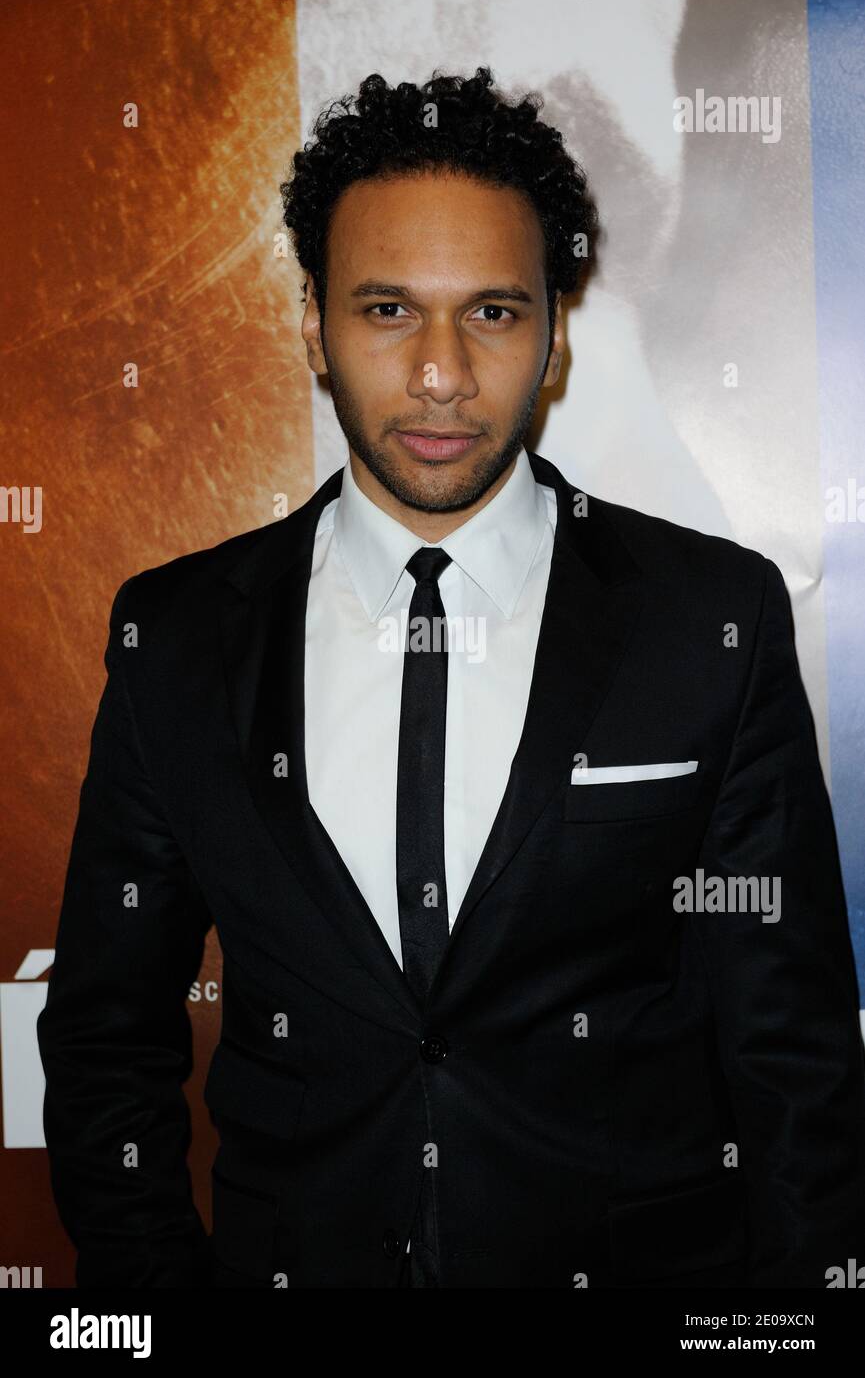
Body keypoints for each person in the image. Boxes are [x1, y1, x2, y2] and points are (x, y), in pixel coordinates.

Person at [37, 65, 865, 1289]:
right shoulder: (178, 635)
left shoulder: (710, 616)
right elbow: (109, 1032)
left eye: (490, 311)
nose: (440, 372)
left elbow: (790, 1052)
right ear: (312, 324)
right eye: (386, 310)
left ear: (553, 330)